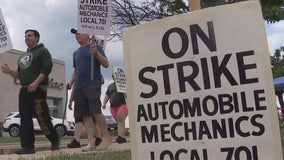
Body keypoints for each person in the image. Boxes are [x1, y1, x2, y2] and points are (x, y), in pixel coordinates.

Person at [1, 29, 59, 154]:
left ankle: (54, 140)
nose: (26, 37)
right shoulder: (22, 56)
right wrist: (9, 71)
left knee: (42, 117)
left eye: (30, 35)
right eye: (25, 36)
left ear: (37, 38)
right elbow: (19, 74)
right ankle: (27, 146)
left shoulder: (42, 51)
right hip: (24, 90)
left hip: (38, 89)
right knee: (25, 118)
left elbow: (47, 67)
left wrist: (36, 82)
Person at [68, 28, 111, 151]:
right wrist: (71, 82)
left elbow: (106, 64)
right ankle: (91, 142)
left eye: (79, 33)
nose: (77, 35)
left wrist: (96, 53)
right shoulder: (75, 53)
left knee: (95, 111)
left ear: (88, 34)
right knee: (85, 115)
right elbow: (76, 71)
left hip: (93, 83)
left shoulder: (96, 47)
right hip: (79, 87)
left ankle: (106, 138)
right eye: (75, 34)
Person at [67, 83, 102, 148]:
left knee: (93, 118)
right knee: (78, 118)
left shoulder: (92, 74)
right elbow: (74, 88)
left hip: (90, 95)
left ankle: (97, 138)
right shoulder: (77, 77)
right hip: (80, 95)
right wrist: (71, 100)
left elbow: (101, 80)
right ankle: (77, 140)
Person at [102, 75, 128, 143]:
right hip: (113, 107)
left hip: (123, 105)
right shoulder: (110, 86)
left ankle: (120, 137)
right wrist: (104, 103)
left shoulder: (124, 84)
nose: (115, 77)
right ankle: (123, 137)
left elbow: (127, 95)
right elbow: (107, 95)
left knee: (120, 119)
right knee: (119, 122)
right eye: (114, 76)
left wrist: (124, 92)